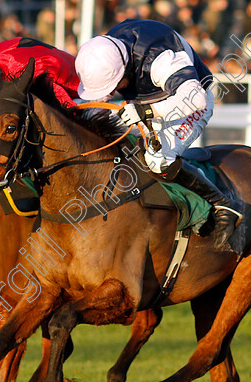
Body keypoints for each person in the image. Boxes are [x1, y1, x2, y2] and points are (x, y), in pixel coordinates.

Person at [74, 18, 241, 250]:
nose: (111, 93)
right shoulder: (105, 52)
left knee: (158, 159)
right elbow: (99, 100)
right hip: (149, 103)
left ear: (123, 69)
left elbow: (196, 99)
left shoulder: (159, 58)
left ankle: (222, 203)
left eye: (113, 86)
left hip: (190, 103)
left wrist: (146, 111)